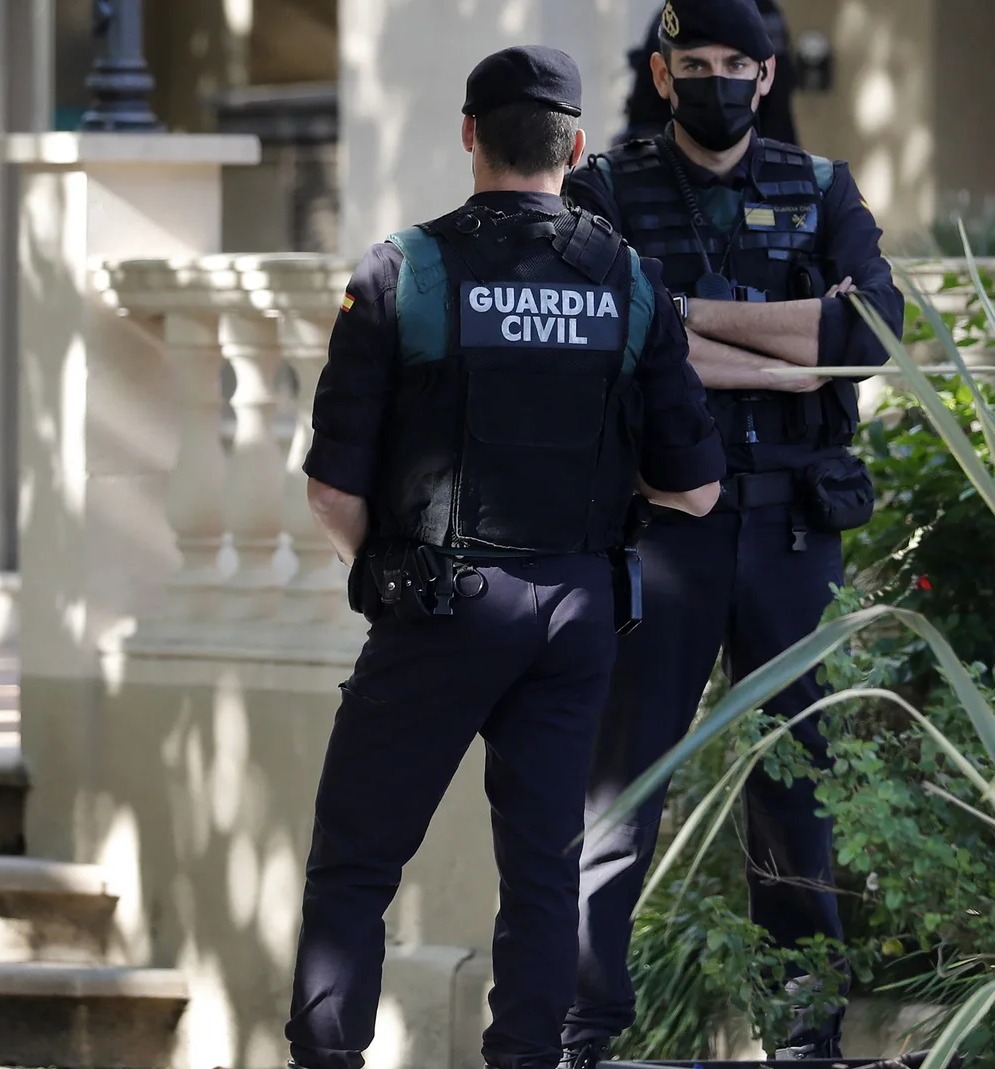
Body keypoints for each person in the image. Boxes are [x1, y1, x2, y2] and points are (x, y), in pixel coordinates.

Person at [285, 46, 726, 1069]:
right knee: (543, 871)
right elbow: (696, 487)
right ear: (574, 145)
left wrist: (389, 568)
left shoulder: (405, 271)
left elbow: (328, 487)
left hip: (440, 602)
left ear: (469, 135)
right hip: (576, 612)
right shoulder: (628, 280)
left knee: (354, 865)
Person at [558, 1, 904, 1063]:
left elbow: (869, 331)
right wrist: (777, 345)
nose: (711, 79)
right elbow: (612, 330)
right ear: (661, 76)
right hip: (660, 537)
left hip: (794, 531)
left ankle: (804, 1036)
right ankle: (583, 1031)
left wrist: (686, 315)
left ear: (762, 77)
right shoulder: (601, 190)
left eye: (731, 64)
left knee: (798, 792)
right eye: (690, 62)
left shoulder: (820, 187)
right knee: (620, 799)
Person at [618, 0, 797, 146]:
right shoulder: (676, 14)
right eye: (696, 66)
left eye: (735, 64)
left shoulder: (762, 13)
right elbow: (647, 110)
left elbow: (777, 104)